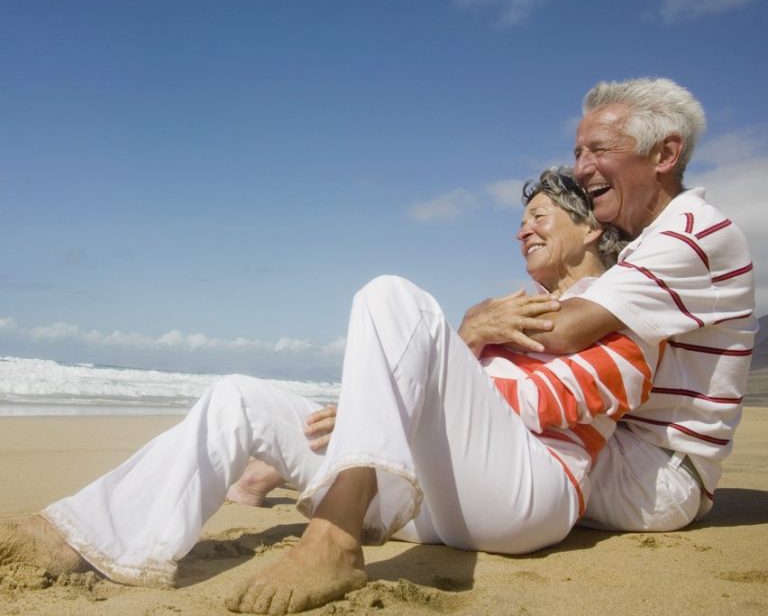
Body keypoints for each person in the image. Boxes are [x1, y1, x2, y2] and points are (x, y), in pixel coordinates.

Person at [0, 170, 655, 615]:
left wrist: (402, 402)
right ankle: (86, 538)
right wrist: (392, 405)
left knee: (390, 295)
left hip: (529, 497)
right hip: (438, 493)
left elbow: (563, 405)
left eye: (538, 216)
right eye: (520, 220)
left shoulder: (620, 311)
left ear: (591, 229)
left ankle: (336, 540)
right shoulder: (508, 309)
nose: (522, 231)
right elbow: (446, 396)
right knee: (240, 397)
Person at [459, 78, 756, 532]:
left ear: (664, 154)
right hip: (633, 452)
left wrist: (476, 326)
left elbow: (564, 331)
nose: (581, 169)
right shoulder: (650, 243)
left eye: (598, 150)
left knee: (469, 438)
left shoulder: (690, 235)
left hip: (656, 472)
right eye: (578, 153)